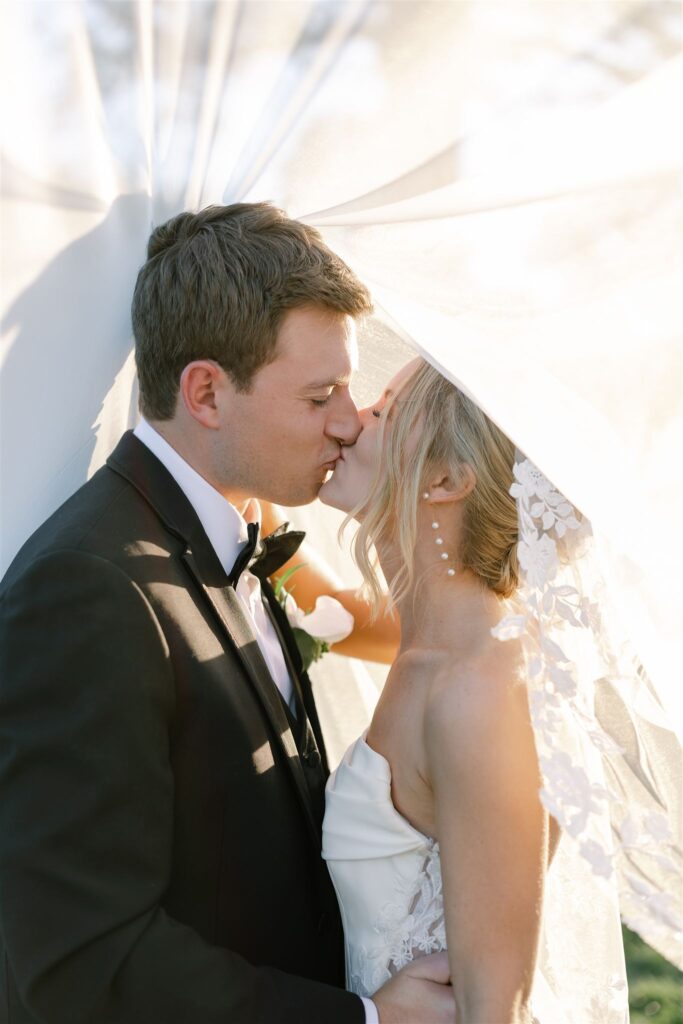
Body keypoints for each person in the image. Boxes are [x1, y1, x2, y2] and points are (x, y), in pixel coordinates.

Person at [0, 204, 454, 1024]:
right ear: (206, 392)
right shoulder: (88, 590)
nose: (349, 422)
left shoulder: (242, 533)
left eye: (348, 388)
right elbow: (85, 962)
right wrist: (366, 1022)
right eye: (320, 395)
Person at [319, 357, 563, 1024]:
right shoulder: (427, 649)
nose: (349, 420)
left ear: (448, 480)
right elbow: (313, 602)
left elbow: (493, 1010)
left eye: (383, 412)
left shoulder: (477, 690)